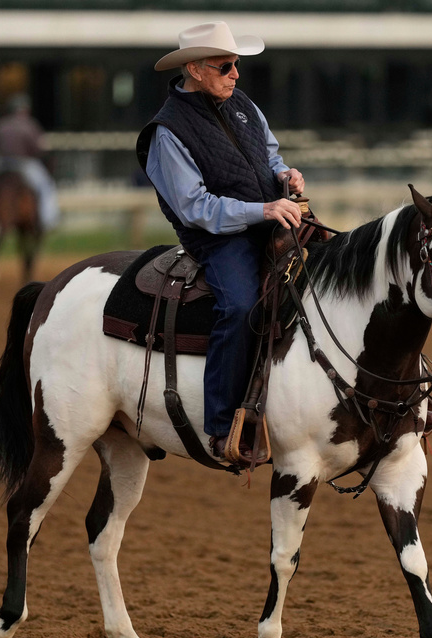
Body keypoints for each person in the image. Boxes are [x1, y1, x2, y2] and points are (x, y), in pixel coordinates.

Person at [136, 21, 305, 462]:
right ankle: (221, 426)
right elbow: (196, 208)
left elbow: (270, 155)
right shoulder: (166, 130)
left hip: (271, 216)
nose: (235, 74)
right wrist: (263, 210)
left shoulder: (242, 103)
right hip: (216, 238)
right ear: (193, 68)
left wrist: (284, 175)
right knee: (240, 305)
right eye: (225, 65)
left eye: (237, 65)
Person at [0, 93, 59, 231]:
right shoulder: (29, 124)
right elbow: (38, 149)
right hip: (24, 164)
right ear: (24, 109)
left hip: (3, 165)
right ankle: (49, 219)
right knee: (46, 185)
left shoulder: (1, 124)